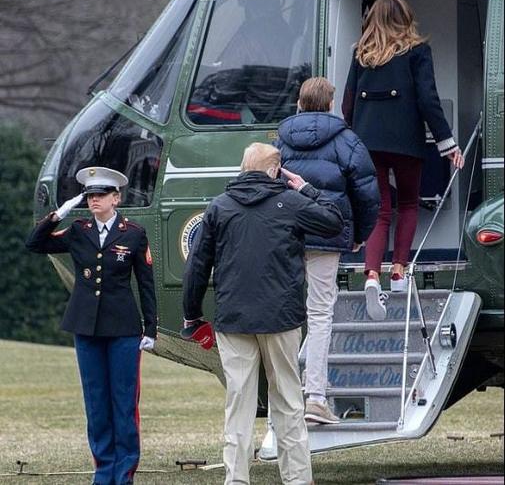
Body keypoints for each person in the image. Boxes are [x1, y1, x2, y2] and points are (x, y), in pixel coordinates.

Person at [182, 143, 343, 485]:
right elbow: (334, 222)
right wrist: (307, 188)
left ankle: (237, 479)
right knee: (287, 400)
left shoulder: (219, 207)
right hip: (280, 317)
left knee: (237, 402)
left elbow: (197, 266)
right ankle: (297, 479)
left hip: (233, 318)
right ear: (275, 171)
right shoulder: (291, 203)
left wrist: (191, 315)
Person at [26, 167, 158, 485]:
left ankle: (124, 472)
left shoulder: (133, 233)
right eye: (90, 195)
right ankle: (103, 471)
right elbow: (35, 243)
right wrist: (60, 212)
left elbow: (146, 284)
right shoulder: (78, 230)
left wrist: (150, 329)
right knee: (96, 403)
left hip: (123, 329)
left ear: (117, 198)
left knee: (124, 403)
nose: (94, 200)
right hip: (86, 327)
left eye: (100, 195)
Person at [342, 0, 465, 320]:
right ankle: (398, 271)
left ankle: (371, 276)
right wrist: (448, 144)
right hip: (406, 142)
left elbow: (347, 105)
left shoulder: (360, 55)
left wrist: (353, 137)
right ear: (406, 19)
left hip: (367, 142)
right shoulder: (417, 52)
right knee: (408, 203)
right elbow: (428, 99)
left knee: (380, 210)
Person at [276, 77, 380, 424]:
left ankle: (288, 396)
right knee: (320, 314)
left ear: (300, 103)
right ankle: (316, 396)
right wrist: (359, 235)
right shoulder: (347, 140)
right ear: (330, 104)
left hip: (287, 236)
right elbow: (367, 192)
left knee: (289, 316)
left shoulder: (280, 140)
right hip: (328, 234)